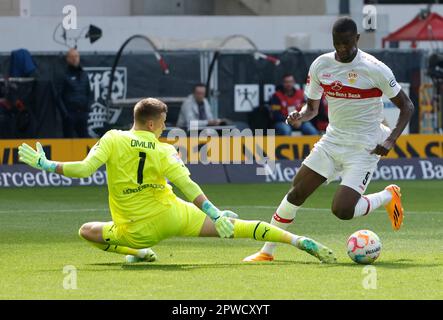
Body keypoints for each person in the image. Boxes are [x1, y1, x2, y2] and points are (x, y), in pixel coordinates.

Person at [18, 98, 336, 264]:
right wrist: (214, 214)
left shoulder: (113, 138)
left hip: (135, 230)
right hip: (174, 216)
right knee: (239, 229)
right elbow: (189, 188)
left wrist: (47, 164)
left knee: (87, 231)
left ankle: (140, 253)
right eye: (164, 122)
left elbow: (84, 170)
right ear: (154, 122)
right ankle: (297, 242)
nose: (165, 127)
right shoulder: (164, 150)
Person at [244, 17, 414, 262]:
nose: (342, 49)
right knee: (296, 193)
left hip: (364, 147)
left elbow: (407, 106)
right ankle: (266, 252)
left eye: (347, 43)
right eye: (337, 44)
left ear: (357, 39)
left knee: (342, 211)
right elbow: (312, 108)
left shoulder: (375, 68)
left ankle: (388, 195)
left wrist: (390, 141)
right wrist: (300, 116)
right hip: (332, 141)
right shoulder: (321, 65)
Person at [59, 48, 91, 138]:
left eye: (76, 56)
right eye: (72, 57)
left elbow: (88, 92)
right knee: (68, 140)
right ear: (67, 59)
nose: (75, 59)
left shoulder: (84, 74)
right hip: (70, 114)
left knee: (84, 139)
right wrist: (65, 114)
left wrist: (87, 110)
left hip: (82, 114)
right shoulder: (64, 75)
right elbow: (59, 96)